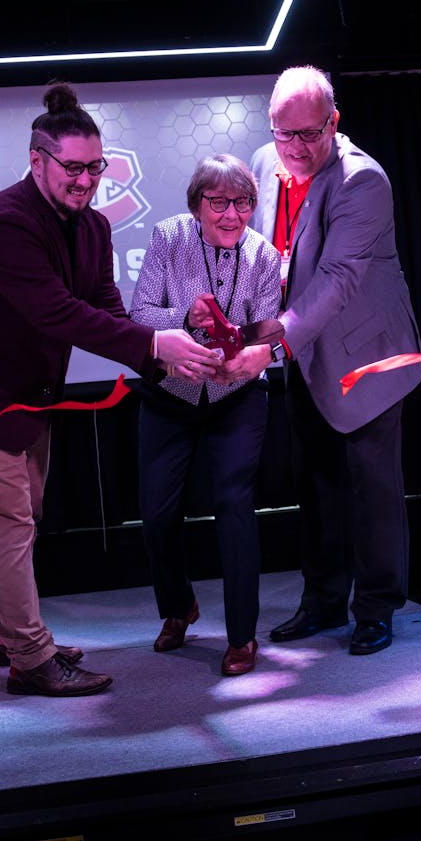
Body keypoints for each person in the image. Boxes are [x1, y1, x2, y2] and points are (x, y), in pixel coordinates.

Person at [0, 82, 221, 697]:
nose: (85, 181)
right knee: (7, 522)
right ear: (37, 160)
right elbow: (57, 313)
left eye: (95, 167)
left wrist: (164, 359)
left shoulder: (91, 228)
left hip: (29, 395)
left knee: (20, 517)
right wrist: (155, 348)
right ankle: (31, 660)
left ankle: (11, 636)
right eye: (73, 168)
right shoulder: (5, 223)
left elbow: (104, 303)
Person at [226, 65, 421, 656]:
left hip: (368, 357)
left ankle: (376, 608)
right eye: (286, 135)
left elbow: (337, 279)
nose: (297, 148)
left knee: (373, 491)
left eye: (310, 134)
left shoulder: (363, 180)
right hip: (301, 354)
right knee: (315, 487)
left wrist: (272, 342)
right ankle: (321, 603)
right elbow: (265, 256)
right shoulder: (264, 163)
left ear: (334, 122)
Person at [129, 154, 282, 676]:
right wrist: (183, 317)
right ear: (197, 205)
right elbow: (139, 317)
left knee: (233, 504)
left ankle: (242, 638)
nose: (231, 214)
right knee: (157, 512)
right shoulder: (168, 237)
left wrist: (249, 362)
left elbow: (268, 334)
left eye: (242, 203)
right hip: (170, 395)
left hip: (236, 398)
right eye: (218, 202)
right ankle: (178, 607)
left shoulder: (264, 255)